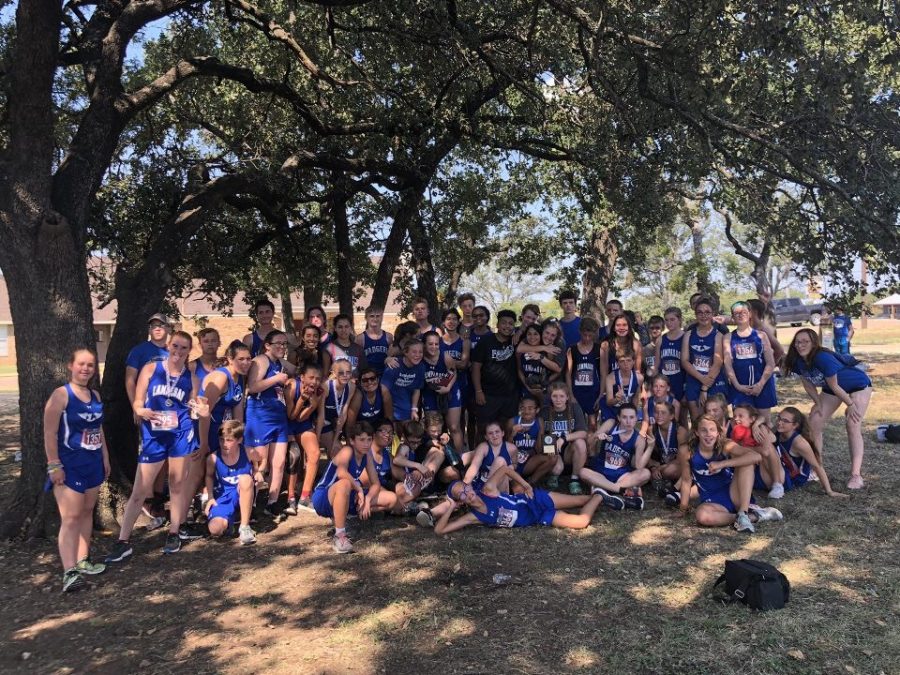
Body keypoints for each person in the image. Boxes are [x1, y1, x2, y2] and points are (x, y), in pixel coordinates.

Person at [106, 331, 208, 561]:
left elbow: (196, 405)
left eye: (184, 348)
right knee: (140, 490)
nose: (178, 352)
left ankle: (174, 532)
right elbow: (139, 400)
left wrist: (202, 410)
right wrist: (140, 410)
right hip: (154, 436)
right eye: (175, 346)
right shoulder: (152, 369)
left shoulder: (191, 377)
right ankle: (123, 541)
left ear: (189, 351)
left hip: (179, 435)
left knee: (177, 485)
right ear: (168, 346)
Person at [44, 348, 110, 592]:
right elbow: (49, 433)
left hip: (92, 463)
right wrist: (54, 465)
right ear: (71, 366)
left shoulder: (95, 395)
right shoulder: (61, 395)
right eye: (81, 364)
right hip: (68, 465)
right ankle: (69, 571)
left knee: (87, 511)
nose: (85, 369)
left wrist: (105, 457)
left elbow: (98, 429)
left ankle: (83, 560)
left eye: (90, 365)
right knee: (70, 518)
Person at [785, 328, 873, 489]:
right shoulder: (798, 360)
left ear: (813, 343)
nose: (800, 345)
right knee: (814, 421)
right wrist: (817, 402)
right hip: (833, 390)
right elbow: (808, 383)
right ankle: (815, 466)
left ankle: (856, 475)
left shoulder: (822, 358)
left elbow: (835, 385)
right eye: (798, 341)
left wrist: (851, 405)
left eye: (805, 341)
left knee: (852, 423)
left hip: (858, 385)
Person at [674, 414, 782, 532]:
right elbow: (686, 480)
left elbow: (755, 456)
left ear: (717, 433)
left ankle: (743, 512)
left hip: (734, 492)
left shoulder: (725, 445)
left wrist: (722, 464)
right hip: (712, 499)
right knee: (702, 516)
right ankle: (753, 516)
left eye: (712, 430)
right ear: (696, 432)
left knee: (747, 463)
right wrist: (683, 508)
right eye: (703, 430)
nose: (708, 434)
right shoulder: (687, 451)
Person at [432, 468, 606, 534]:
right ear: (460, 501)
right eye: (460, 494)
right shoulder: (473, 516)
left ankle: (599, 495)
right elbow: (440, 530)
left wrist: (525, 485)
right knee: (581, 522)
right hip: (538, 516)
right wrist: (450, 506)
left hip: (535, 499)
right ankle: (600, 495)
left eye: (465, 487)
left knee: (581, 500)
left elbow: (505, 469)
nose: (466, 493)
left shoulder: (487, 490)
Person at [312, 422, 398, 553]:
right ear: (352, 440)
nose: (366, 444)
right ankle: (340, 536)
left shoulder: (367, 455)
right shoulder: (347, 451)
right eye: (362, 440)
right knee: (345, 483)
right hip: (324, 496)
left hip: (349, 494)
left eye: (369, 440)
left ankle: (349, 517)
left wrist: (368, 499)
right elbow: (341, 473)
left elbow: (376, 484)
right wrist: (359, 489)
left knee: (391, 498)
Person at [124, 313, 170, 527]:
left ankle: (159, 498)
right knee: (150, 456)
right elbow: (130, 379)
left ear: (168, 328)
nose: (157, 328)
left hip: (169, 414)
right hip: (148, 412)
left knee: (165, 457)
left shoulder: (173, 351)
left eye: (161, 325)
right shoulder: (140, 351)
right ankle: (147, 500)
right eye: (153, 326)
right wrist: (137, 405)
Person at [245, 330, 294, 519]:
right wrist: (277, 379)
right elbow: (252, 387)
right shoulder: (261, 360)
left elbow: (297, 369)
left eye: (284, 344)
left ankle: (272, 502)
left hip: (278, 416)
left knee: (279, 462)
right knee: (259, 463)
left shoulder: (280, 363)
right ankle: (251, 504)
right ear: (267, 345)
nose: (282, 347)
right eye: (278, 343)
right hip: (260, 415)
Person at [579, 404, 650, 510]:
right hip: (601, 472)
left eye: (631, 417)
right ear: (619, 418)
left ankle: (603, 491)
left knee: (646, 473)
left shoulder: (639, 439)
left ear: (636, 418)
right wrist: (596, 437)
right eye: (624, 417)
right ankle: (620, 491)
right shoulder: (611, 424)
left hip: (621, 475)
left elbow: (638, 466)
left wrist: (651, 447)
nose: (628, 421)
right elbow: (589, 444)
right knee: (582, 472)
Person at [773, 407, 846, 497]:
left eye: (785, 421)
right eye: (779, 418)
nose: (779, 422)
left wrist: (829, 491)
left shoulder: (799, 443)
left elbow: (817, 465)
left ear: (795, 425)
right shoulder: (778, 432)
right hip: (781, 469)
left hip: (794, 478)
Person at [204, 421, 257, 545]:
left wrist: (258, 471)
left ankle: (244, 527)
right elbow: (209, 476)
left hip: (242, 491)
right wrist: (210, 497)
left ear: (239, 440)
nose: (224, 444)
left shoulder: (248, 451)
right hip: (224, 496)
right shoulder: (213, 458)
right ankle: (234, 518)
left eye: (229, 440)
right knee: (214, 529)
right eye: (221, 439)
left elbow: (262, 459)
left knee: (245, 479)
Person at [723, 301, 777, 419]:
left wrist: (761, 384)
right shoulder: (728, 337)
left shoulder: (761, 335)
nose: (740, 315)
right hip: (740, 387)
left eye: (744, 312)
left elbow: (770, 362)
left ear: (750, 314)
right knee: (741, 425)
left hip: (762, 386)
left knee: (764, 423)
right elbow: (727, 364)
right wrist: (738, 386)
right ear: (732, 316)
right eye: (736, 313)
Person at [284, 362, 325, 513]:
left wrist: (312, 406)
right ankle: (290, 497)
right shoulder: (292, 386)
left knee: (314, 453)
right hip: (287, 423)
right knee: (293, 455)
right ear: (302, 377)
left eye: (318, 378)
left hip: (303, 423)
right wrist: (302, 400)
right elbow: (292, 416)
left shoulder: (320, 391)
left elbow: (306, 418)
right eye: (311, 378)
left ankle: (305, 496)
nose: (314, 382)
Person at [198, 341, 251, 456]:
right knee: (199, 472)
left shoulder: (240, 377)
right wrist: (203, 444)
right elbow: (203, 413)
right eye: (241, 359)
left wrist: (238, 439)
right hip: (205, 432)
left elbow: (238, 415)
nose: (246, 363)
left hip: (223, 434)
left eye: (248, 359)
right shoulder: (221, 378)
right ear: (230, 359)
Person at [471, 309, 519, 435]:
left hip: (510, 396)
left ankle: (504, 454)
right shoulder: (485, 342)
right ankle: (482, 454)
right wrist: (478, 391)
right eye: (504, 323)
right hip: (488, 395)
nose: (507, 326)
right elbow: (476, 367)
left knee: (507, 430)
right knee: (484, 430)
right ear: (497, 324)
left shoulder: (516, 341)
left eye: (510, 323)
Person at [681, 298, 728, 421]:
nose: (704, 315)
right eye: (700, 312)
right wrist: (702, 379)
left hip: (714, 381)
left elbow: (718, 362)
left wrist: (705, 387)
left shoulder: (718, 335)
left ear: (712, 314)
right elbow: (684, 361)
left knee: (717, 421)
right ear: (696, 314)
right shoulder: (689, 335)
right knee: (698, 421)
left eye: (707, 312)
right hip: (694, 380)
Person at [542, 382, 590, 495]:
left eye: (562, 396)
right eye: (555, 396)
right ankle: (554, 475)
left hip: (570, 450)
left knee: (580, 443)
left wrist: (563, 438)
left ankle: (574, 479)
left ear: (567, 397)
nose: (558, 399)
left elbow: (583, 433)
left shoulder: (574, 408)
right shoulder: (545, 412)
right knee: (557, 468)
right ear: (550, 397)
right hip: (552, 450)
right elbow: (543, 438)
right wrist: (552, 453)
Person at [507, 396, 555, 486]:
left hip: (529, 461)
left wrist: (539, 432)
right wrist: (513, 433)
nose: (526, 411)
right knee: (517, 488)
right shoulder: (512, 421)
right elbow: (504, 448)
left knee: (553, 458)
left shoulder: (539, 421)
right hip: (512, 462)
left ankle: (531, 482)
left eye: (530, 408)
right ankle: (515, 480)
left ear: (537, 410)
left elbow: (539, 449)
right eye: (523, 408)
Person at [439, 309, 469, 452]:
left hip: (459, 383)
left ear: (459, 321)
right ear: (443, 322)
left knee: (456, 424)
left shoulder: (464, 342)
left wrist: (445, 361)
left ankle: (460, 458)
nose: (451, 322)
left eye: (454, 319)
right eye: (448, 319)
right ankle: (443, 456)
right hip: (439, 384)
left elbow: (464, 364)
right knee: (440, 425)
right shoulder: (437, 342)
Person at [647, 400, 689, 501]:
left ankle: (666, 481)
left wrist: (659, 469)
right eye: (656, 412)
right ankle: (662, 480)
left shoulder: (680, 431)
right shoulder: (651, 429)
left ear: (671, 416)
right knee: (636, 460)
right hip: (660, 463)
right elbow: (647, 453)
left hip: (676, 464)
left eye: (663, 413)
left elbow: (680, 459)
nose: (659, 415)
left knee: (671, 470)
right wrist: (653, 468)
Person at [567, 317, 602, 432]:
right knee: (578, 427)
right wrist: (571, 395)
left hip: (593, 393)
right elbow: (568, 373)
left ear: (594, 334)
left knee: (592, 425)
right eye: (584, 335)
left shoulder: (599, 349)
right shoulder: (572, 349)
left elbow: (603, 373)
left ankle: (591, 450)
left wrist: (600, 395)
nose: (587, 338)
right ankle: (581, 449)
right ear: (580, 332)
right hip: (577, 393)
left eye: (590, 335)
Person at [381, 338, 426, 423]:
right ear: (406, 352)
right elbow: (384, 389)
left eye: (420, 352)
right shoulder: (395, 365)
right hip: (391, 405)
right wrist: (389, 415)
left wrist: (414, 409)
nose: (418, 355)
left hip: (407, 405)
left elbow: (417, 389)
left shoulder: (421, 367)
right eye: (414, 352)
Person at [516, 322, 564, 403]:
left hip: (546, 391)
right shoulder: (525, 347)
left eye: (552, 335)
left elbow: (558, 370)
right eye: (547, 333)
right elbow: (519, 368)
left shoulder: (554, 347)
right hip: (527, 390)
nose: (532, 337)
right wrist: (527, 387)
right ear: (543, 332)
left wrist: (543, 385)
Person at [316, 359, 355, 457]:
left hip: (330, 423)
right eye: (341, 373)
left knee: (337, 451)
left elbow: (343, 415)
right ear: (334, 373)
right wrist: (316, 440)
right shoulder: (326, 387)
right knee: (333, 453)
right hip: (317, 423)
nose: (345, 375)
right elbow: (320, 416)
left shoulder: (351, 387)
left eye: (348, 372)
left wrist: (334, 441)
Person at [600, 314, 643, 388]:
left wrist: (640, 390)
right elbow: (604, 373)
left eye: (624, 325)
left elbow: (637, 372)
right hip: (612, 386)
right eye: (618, 325)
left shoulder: (636, 344)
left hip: (630, 387)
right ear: (614, 328)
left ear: (629, 327)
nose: (621, 328)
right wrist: (603, 392)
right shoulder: (606, 345)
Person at [653, 307, 686, 405]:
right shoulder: (661, 340)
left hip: (681, 381)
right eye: (666, 320)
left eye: (672, 319)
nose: (669, 323)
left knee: (681, 415)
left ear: (679, 320)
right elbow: (657, 365)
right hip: (665, 382)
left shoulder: (686, 337)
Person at [322, 313, 366, 379]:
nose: (343, 330)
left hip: (354, 387)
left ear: (351, 328)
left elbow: (363, 373)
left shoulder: (358, 349)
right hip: (336, 387)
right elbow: (325, 375)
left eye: (346, 326)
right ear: (335, 328)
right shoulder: (329, 348)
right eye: (340, 327)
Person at [603, 351, 643, 423]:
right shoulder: (611, 378)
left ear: (633, 361)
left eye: (628, 360)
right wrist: (617, 399)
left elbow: (635, 397)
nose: (626, 364)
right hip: (612, 410)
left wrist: (633, 412)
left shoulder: (639, 378)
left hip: (627, 410)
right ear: (617, 363)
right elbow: (608, 402)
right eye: (622, 361)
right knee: (610, 427)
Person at [355, 305, 393, 376]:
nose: (375, 319)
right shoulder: (360, 338)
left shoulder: (389, 337)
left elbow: (392, 356)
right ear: (366, 318)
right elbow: (357, 361)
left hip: (385, 375)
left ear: (382, 318)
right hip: (368, 377)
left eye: (378, 316)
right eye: (372, 316)